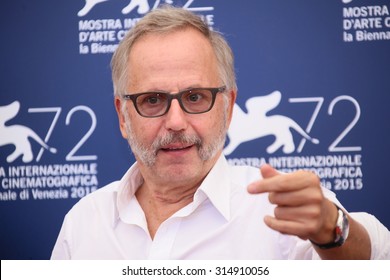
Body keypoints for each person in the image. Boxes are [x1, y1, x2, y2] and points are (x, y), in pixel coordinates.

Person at [51, 6, 390, 260]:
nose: (176, 122)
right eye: (152, 100)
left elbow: (378, 258)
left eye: (195, 97)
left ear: (228, 108)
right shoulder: (83, 222)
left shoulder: (284, 213)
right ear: (123, 117)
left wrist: (334, 231)